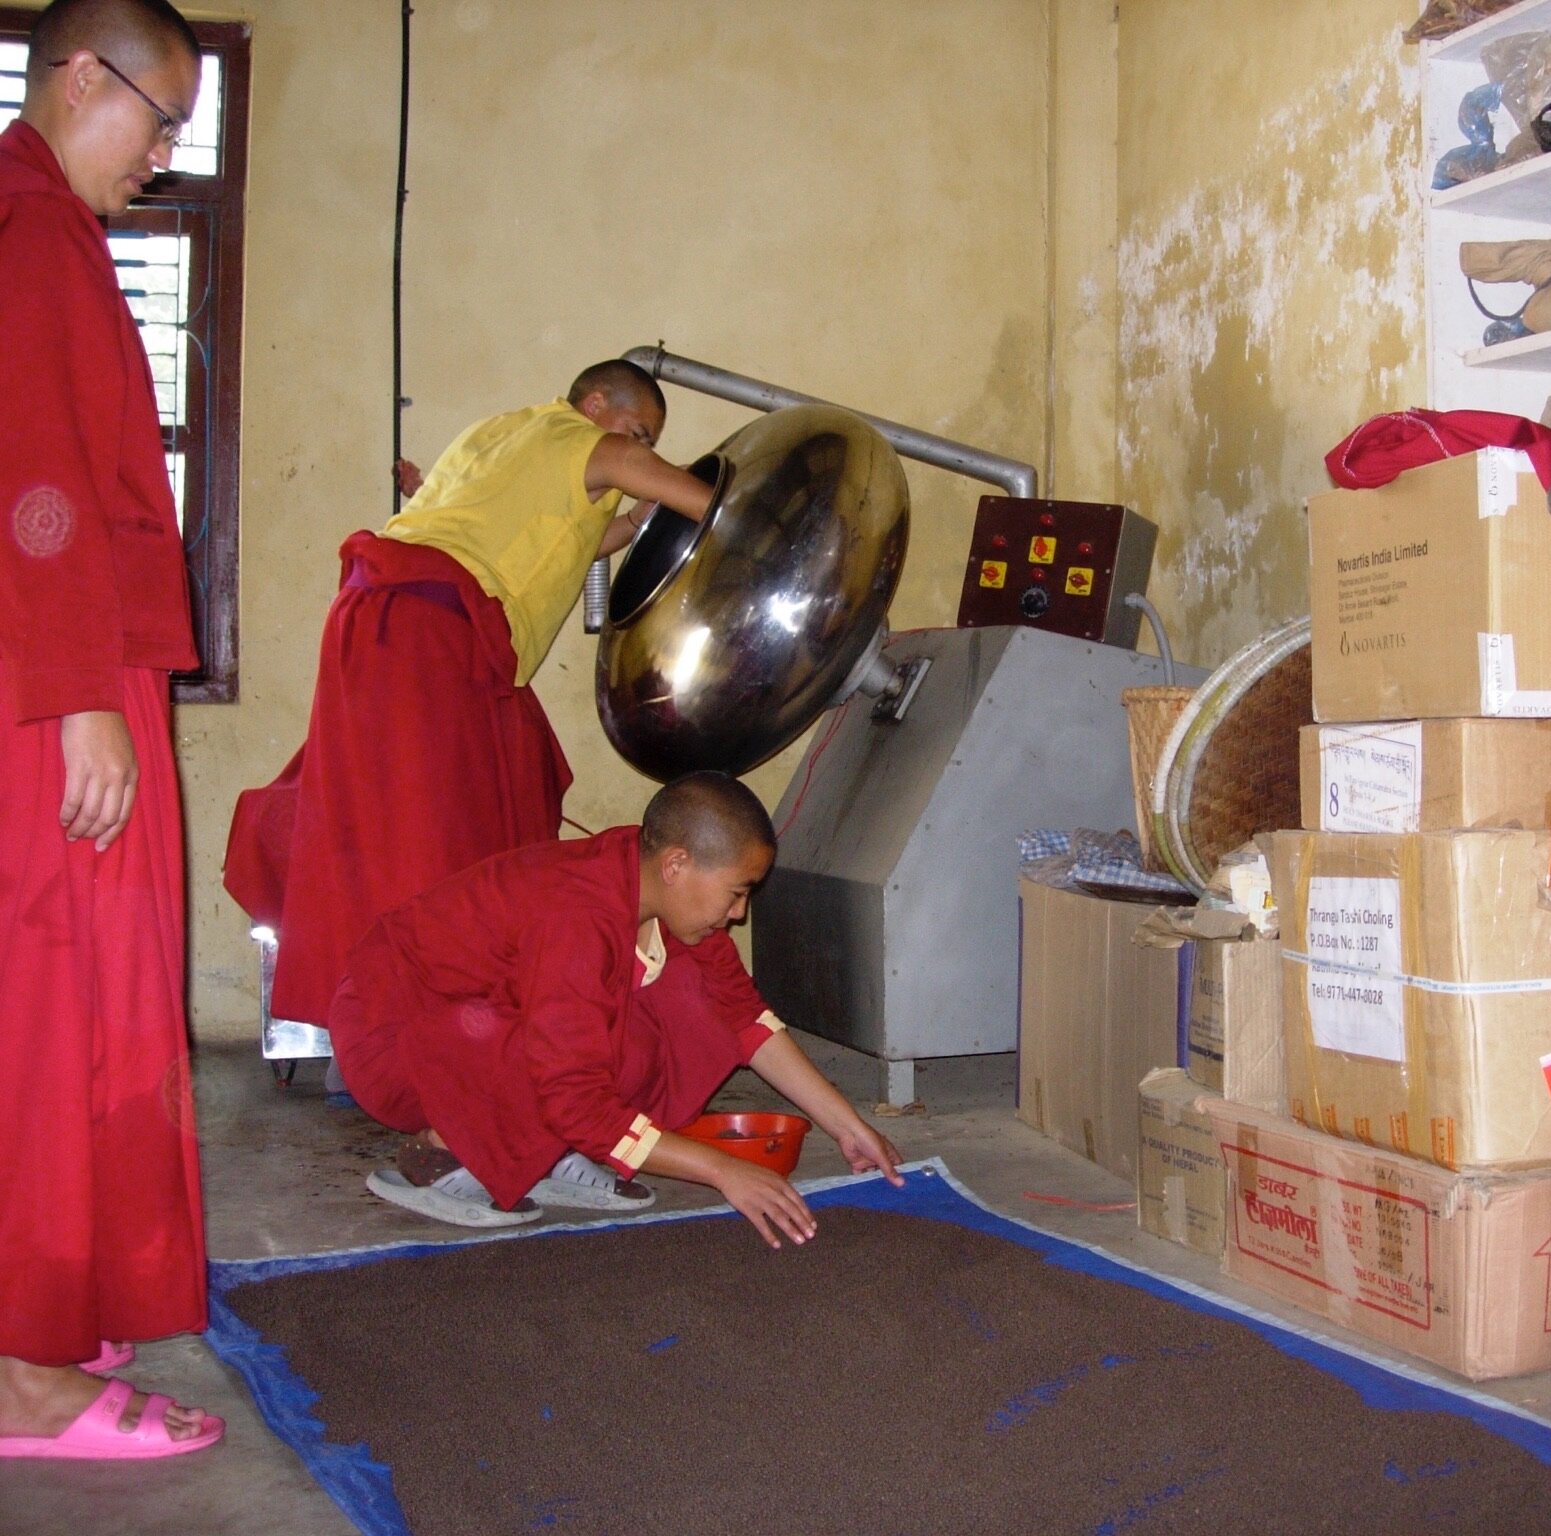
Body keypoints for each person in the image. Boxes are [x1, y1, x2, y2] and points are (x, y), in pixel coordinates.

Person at [223, 357, 718, 1053]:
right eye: (638, 431)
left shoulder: (500, 435)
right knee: (429, 846)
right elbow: (707, 505)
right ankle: (402, 1037)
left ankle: (398, 1024)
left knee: (496, 793)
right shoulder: (587, 444)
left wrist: (637, 520)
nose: (641, 450)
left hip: (382, 619)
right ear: (596, 403)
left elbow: (581, 541)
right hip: (430, 629)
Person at [0, 0, 222, 1461]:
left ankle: (46, 1312)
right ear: (81, 76)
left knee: (87, 1011)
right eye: (157, 116)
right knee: (52, 1013)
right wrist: (83, 692)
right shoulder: (29, 235)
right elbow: (36, 475)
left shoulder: (50, 232)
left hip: (67, 671)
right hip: (45, 689)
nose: (163, 152)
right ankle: (26, 1384)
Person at [330, 772, 904, 1245]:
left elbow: (743, 1017)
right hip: (395, 1041)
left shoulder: (649, 881)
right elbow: (574, 1095)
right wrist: (722, 1170)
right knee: (576, 1057)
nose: (739, 913)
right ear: (676, 864)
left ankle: (544, 1153)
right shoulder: (575, 916)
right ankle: (439, 1154)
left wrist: (845, 1124)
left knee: (683, 1004)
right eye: (737, 892)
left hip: (469, 1026)